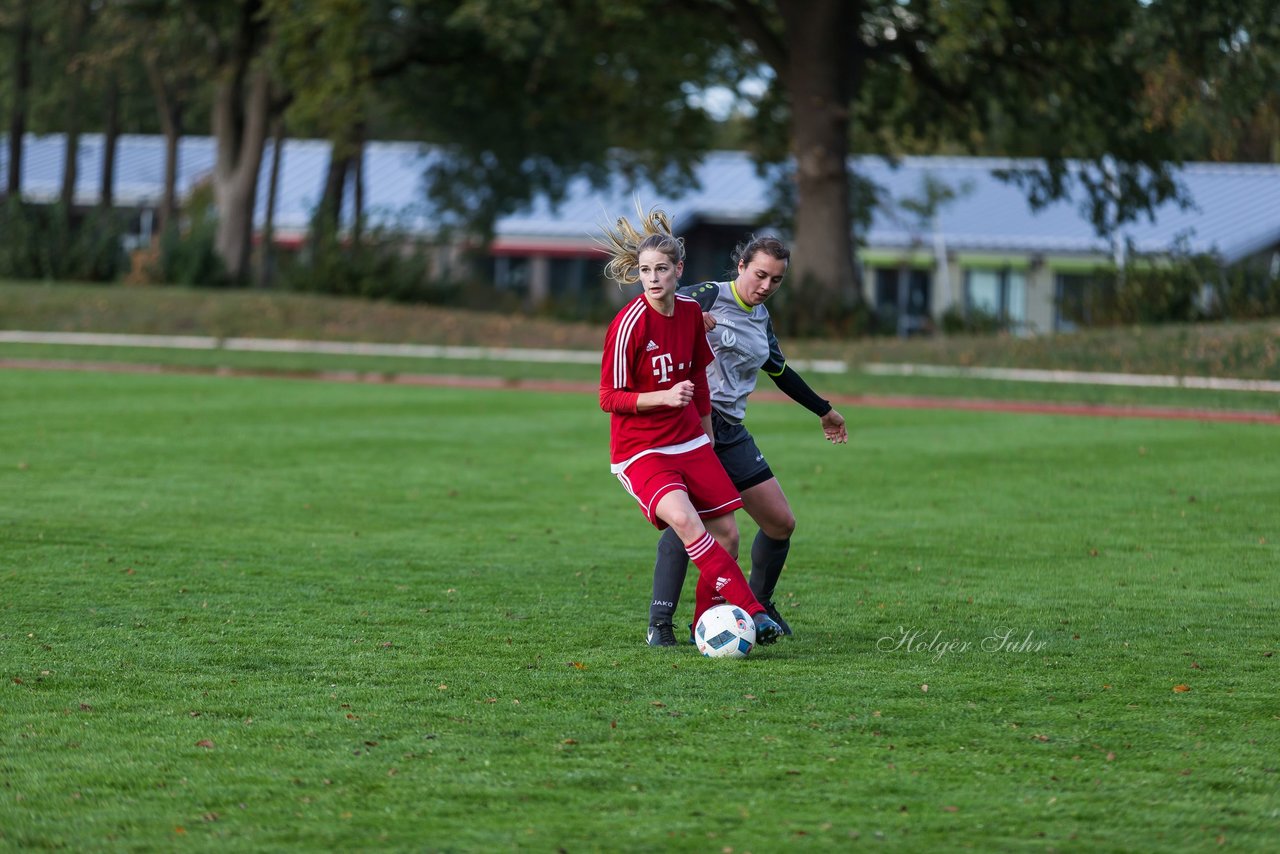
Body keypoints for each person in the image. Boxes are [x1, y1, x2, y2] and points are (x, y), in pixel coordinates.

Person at [646, 234, 848, 647]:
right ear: (740, 266)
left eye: (776, 280)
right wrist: (688, 318)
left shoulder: (761, 319)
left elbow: (781, 370)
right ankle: (660, 623)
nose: (765, 286)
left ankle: (760, 603)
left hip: (732, 431)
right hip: (692, 424)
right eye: (760, 275)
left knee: (779, 522)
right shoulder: (706, 295)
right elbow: (660, 306)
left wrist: (824, 410)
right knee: (689, 522)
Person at [597, 206, 784, 647]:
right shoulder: (627, 326)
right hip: (640, 450)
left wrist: (706, 432)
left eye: (661, 268)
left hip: (689, 440)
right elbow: (609, 398)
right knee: (684, 519)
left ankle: (708, 623)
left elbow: (700, 376)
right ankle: (752, 610)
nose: (653, 278)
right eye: (645, 271)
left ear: (679, 270)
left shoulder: (687, 313)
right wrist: (661, 398)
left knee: (728, 533)